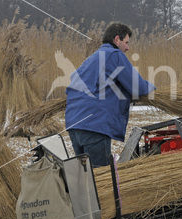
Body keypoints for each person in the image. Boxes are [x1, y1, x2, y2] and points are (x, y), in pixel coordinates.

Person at [65, 22, 155, 167]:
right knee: (103, 178)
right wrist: (153, 88)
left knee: (87, 177)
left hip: (74, 125)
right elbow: (138, 87)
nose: (128, 47)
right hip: (93, 127)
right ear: (117, 39)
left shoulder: (92, 59)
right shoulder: (114, 55)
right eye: (126, 42)